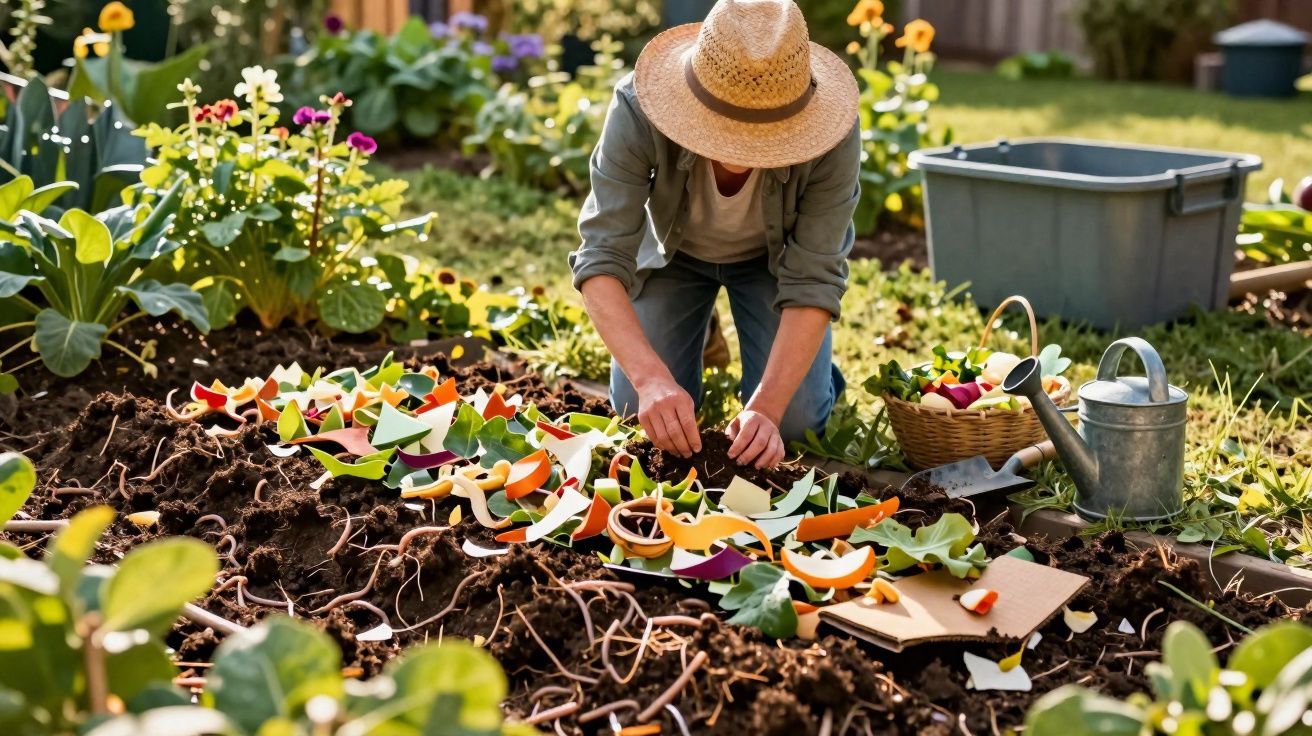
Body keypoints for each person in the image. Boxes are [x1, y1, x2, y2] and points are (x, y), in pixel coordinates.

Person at [570, 0, 861, 470]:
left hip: (772, 264)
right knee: (633, 410)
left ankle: (819, 376)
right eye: (725, 131)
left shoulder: (834, 135)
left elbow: (815, 276)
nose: (739, 150)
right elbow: (601, 257)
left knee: (795, 425)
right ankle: (698, 330)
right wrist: (650, 381)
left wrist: (767, 408)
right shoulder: (636, 107)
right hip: (672, 258)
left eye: (764, 136)